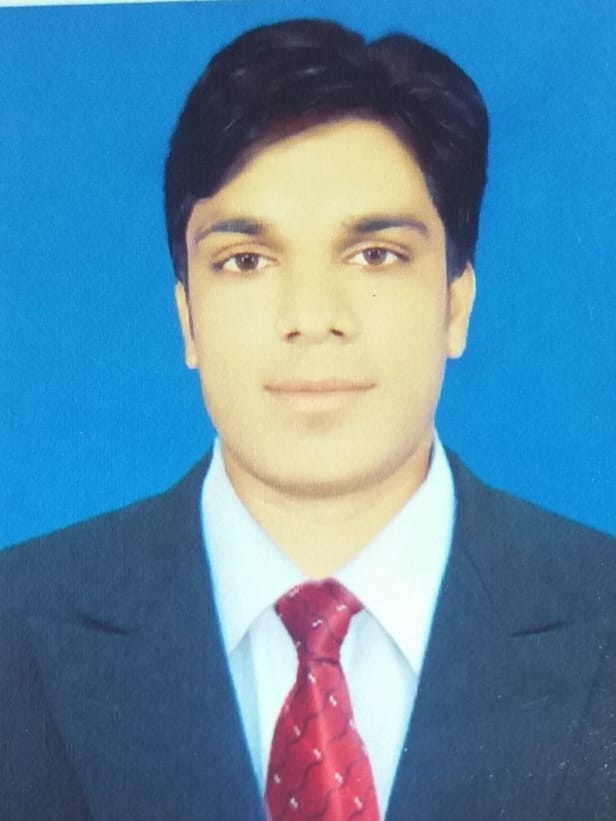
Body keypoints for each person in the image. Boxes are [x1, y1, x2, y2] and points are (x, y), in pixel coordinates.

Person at [0, 17, 614, 821]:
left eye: (375, 254)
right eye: (246, 261)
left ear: (456, 304)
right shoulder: (16, 620)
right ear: (188, 319)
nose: (312, 316)